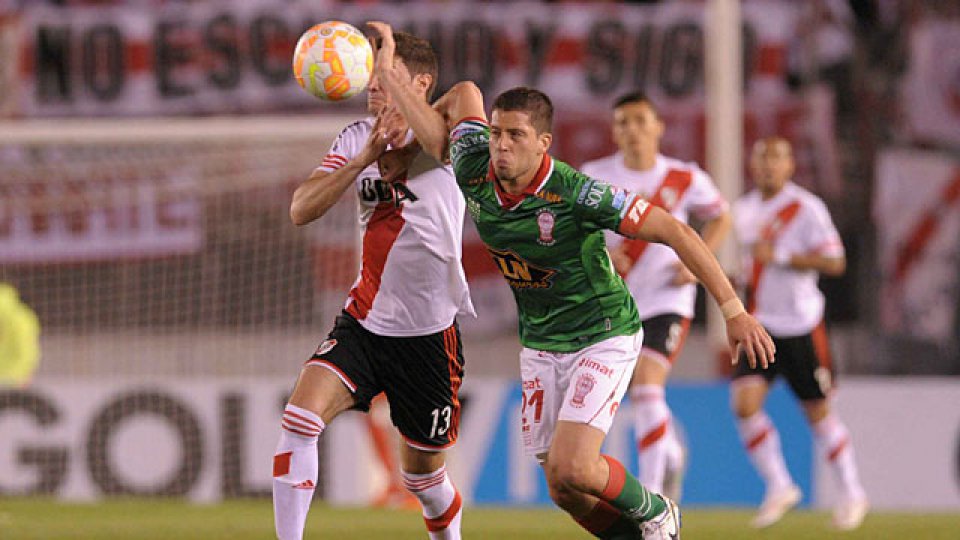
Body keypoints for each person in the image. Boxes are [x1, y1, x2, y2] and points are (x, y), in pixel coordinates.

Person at [367, 21, 774, 540]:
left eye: (516, 136)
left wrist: (734, 310)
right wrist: (401, 117)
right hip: (541, 343)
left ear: (544, 144)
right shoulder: (471, 162)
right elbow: (465, 92)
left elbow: (675, 230)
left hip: (602, 332)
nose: (501, 145)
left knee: (576, 465)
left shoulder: (578, 193)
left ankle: (657, 512)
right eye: (496, 132)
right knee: (562, 486)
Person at [272, 30, 474, 540]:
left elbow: (445, 129)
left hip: (429, 336)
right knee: (299, 419)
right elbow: (301, 209)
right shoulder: (355, 135)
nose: (373, 85)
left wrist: (396, 98)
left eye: (385, 74)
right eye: (371, 75)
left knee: (423, 481)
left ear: (421, 83)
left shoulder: (452, 134)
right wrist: (362, 158)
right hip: (364, 321)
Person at [581, 93, 732, 501]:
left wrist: (697, 261)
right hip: (615, 302)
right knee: (635, 391)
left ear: (658, 127)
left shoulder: (684, 177)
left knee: (647, 385)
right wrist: (602, 252)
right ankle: (671, 455)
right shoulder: (594, 175)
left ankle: (650, 495)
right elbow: (575, 228)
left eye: (640, 120)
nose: (632, 130)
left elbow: (721, 216)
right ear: (614, 131)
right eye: (623, 122)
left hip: (668, 300)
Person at [730, 136, 868, 530]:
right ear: (752, 165)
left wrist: (783, 256)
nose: (768, 165)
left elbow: (835, 261)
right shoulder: (743, 210)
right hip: (762, 326)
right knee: (744, 404)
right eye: (761, 158)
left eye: (776, 158)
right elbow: (751, 266)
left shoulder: (806, 208)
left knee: (819, 413)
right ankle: (779, 485)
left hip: (802, 326)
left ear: (790, 166)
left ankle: (853, 494)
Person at [0, 283, 40, 387]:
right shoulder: (22, 318)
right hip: (12, 380)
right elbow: (27, 350)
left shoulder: (20, 318)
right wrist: (24, 374)